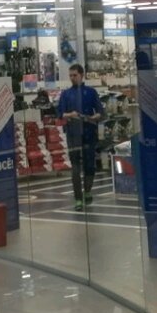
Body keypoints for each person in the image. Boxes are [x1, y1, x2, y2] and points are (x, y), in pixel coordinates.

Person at [58, 63, 102, 211]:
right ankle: (77, 198)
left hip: (89, 132)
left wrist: (92, 118)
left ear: (82, 75)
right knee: (75, 167)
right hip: (73, 134)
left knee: (89, 164)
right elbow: (60, 113)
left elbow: (100, 112)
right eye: (70, 75)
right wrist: (70, 115)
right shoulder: (66, 94)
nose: (72, 78)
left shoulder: (91, 92)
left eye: (75, 75)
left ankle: (87, 190)